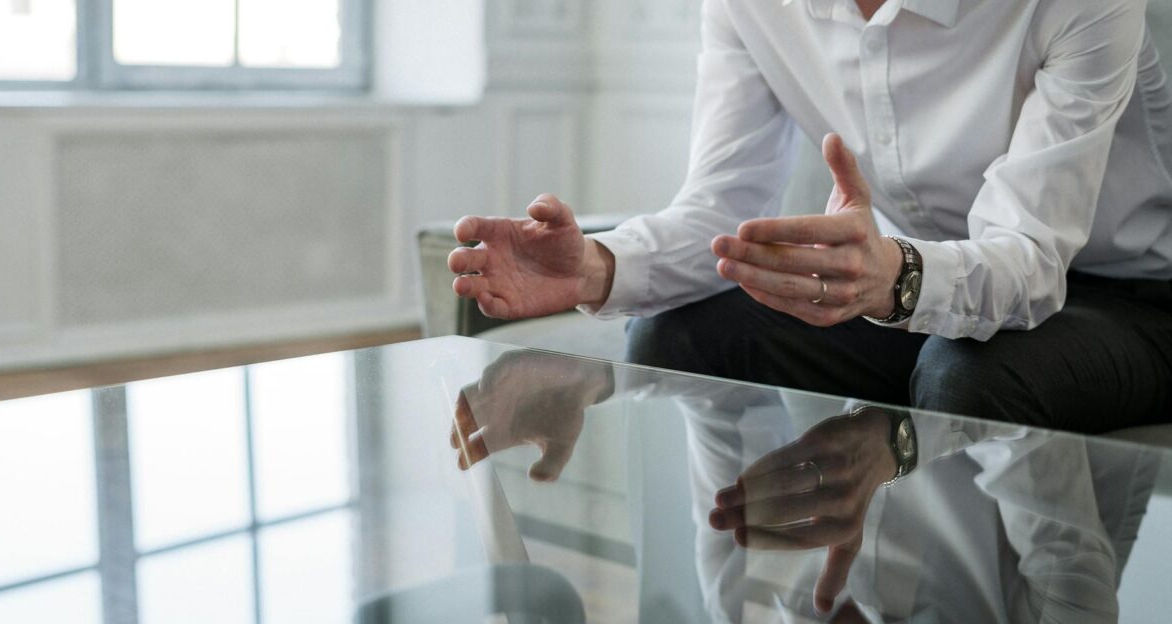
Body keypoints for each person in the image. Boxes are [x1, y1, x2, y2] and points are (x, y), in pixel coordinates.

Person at [449, 0, 1172, 431]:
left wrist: (895, 275)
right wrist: (598, 267)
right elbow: (721, 208)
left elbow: (1028, 257)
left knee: (969, 376)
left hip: (1127, 298)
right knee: (679, 331)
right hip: (915, 280)